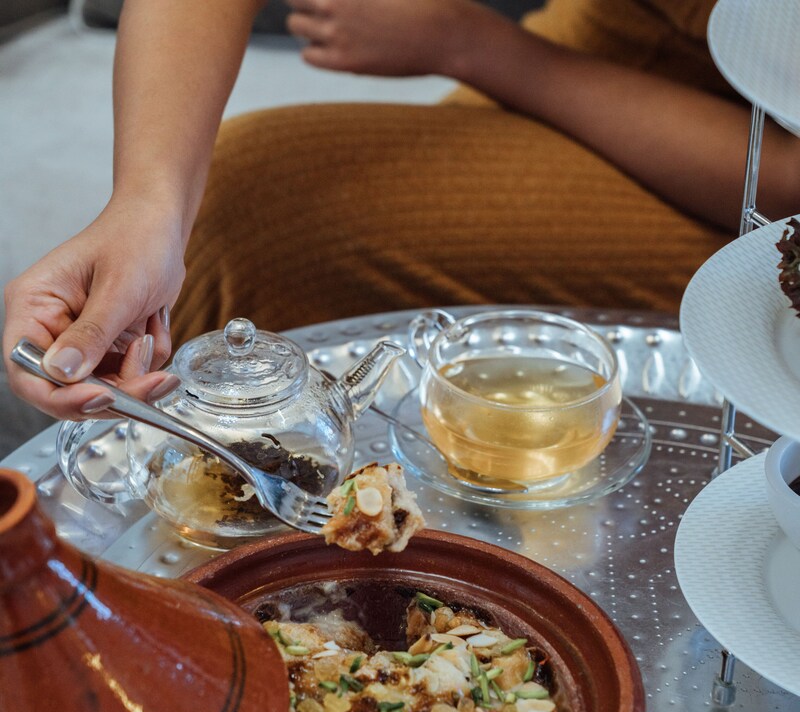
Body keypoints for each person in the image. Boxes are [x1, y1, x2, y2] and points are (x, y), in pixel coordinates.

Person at [4, 0, 800, 422]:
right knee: (213, 208)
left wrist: (472, 44)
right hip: (608, 38)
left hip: (752, 179)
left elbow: (787, 179)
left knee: (260, 219)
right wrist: (146, 206)